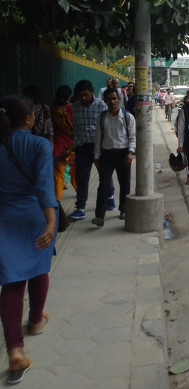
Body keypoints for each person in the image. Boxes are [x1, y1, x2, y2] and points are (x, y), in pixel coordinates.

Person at [0, 95, 57, 385]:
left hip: (5, 217)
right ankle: (35, 320)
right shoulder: (39, 144)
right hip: (35, 214)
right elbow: (45, 186)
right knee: (39, 267)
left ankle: (15, 351)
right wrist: (51, 220)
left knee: (11, 281)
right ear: (28, 119)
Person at [92, 87, 136, 226]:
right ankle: (100, 216)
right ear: (105, 101)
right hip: (106, 155)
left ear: (119, 99)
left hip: (123, 154)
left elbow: (132, 137)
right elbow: (98, 138)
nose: (111, 101)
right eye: (108, 99)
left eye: (114, 98)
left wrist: (130, 153)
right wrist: (97, 156)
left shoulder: (127, 116)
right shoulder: (102, 118)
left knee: (125, 183)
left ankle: (124, 210)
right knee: (103, 185)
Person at [69, 80, 108, 221]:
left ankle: (109, 198)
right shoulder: (75, 106)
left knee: (104, 175)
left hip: (98, 146)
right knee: (82, 177)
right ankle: (80, 208)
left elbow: (106, 125)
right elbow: (74, 127)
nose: (83, 98)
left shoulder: (101, 105)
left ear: (92, 92)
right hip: (82, 146)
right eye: (81, 95)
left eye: (86, 94)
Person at [50, 85, 77, 202]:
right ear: (69, 96)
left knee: (58, 175)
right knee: (75, 173)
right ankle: (81, 195)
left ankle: (56, 199)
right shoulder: (72, 109)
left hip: (58, 145)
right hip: (72, 146)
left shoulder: (53, 110)